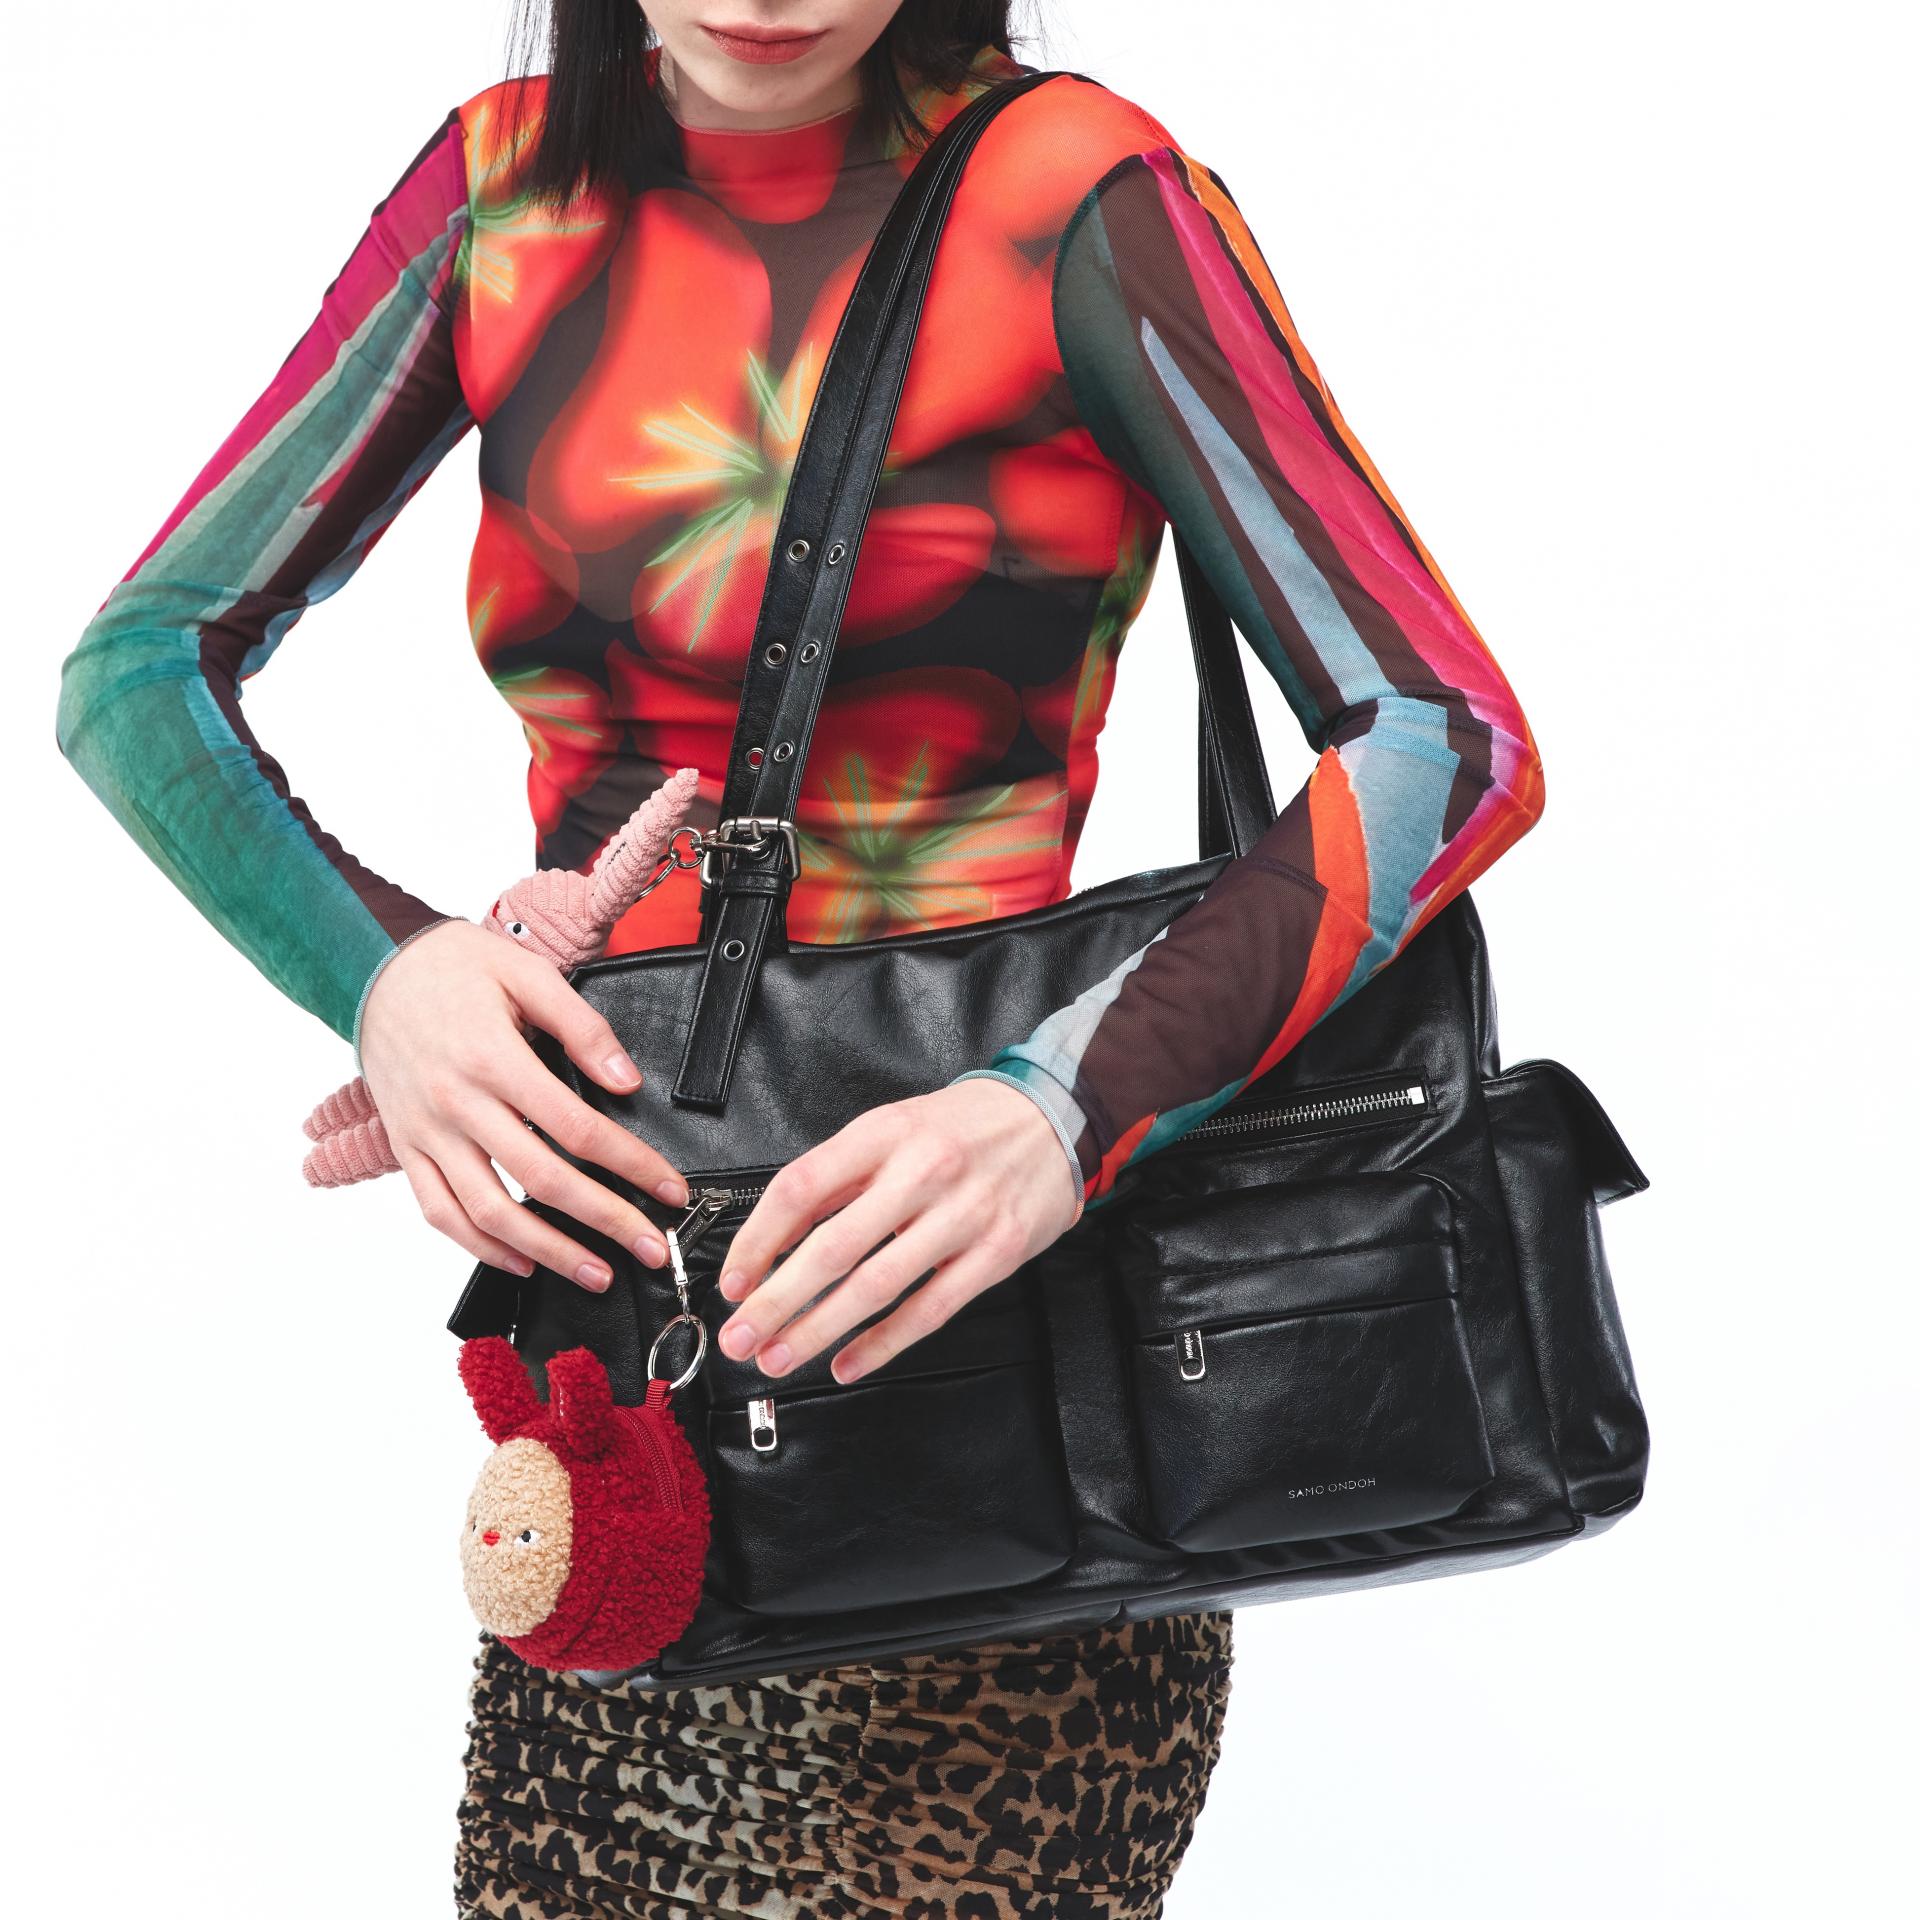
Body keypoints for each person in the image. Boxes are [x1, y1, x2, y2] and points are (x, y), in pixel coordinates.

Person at [53, 3, 1545, 1914]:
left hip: (996, 1351)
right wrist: (394, 980)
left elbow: (1444, 740)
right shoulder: (504, 199)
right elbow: (134, 675)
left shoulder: (1071, 191)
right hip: (630, 1373)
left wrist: (1062, 1109)